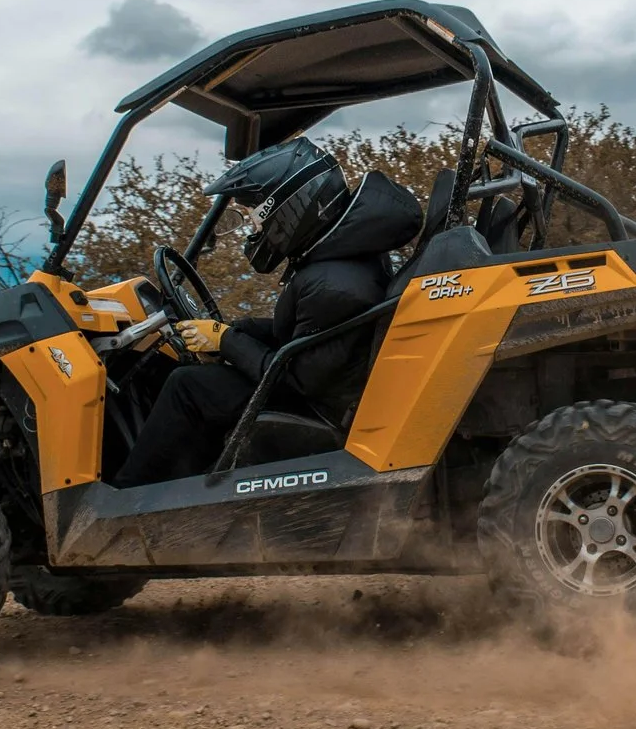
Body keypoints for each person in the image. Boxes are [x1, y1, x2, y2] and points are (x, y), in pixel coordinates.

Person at [113, 138, 421, 486]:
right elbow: (310, 335)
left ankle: (130, 494)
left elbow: (296, 379)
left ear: (286, 210)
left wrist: (227, 340)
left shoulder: (333, 283)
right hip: (327, 389)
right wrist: (235, 330)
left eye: (253, 218)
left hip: (320, 407)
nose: (252, 230)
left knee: (188, 385)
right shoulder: (337, 258)